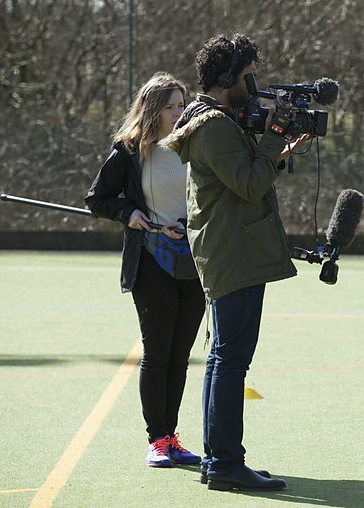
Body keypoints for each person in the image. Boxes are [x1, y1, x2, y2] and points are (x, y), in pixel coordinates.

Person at [161, 33, 308, 492]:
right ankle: (224, 462)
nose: (255, 83)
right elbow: (247, 184)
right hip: (233, 253)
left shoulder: (214, 121)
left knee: (224, 359)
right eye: (248, 75)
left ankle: (219, 461)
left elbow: (243, 180)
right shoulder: (214, 126)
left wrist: (277, 150)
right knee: (230, 361)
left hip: (230, 248)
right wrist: (274, 136)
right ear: (228, 78)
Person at [85, 72, 205, 468]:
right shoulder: (129, 151)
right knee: (157, 354)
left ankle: (172, 436)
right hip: (152, 261)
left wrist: (189, 225)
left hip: (196, 263)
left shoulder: (194, 144)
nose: (179, 112)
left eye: (181, 105)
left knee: (179, 357)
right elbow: (98, 198)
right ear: (153, 110)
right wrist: (129, 212)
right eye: (171, 106)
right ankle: (157, 440)